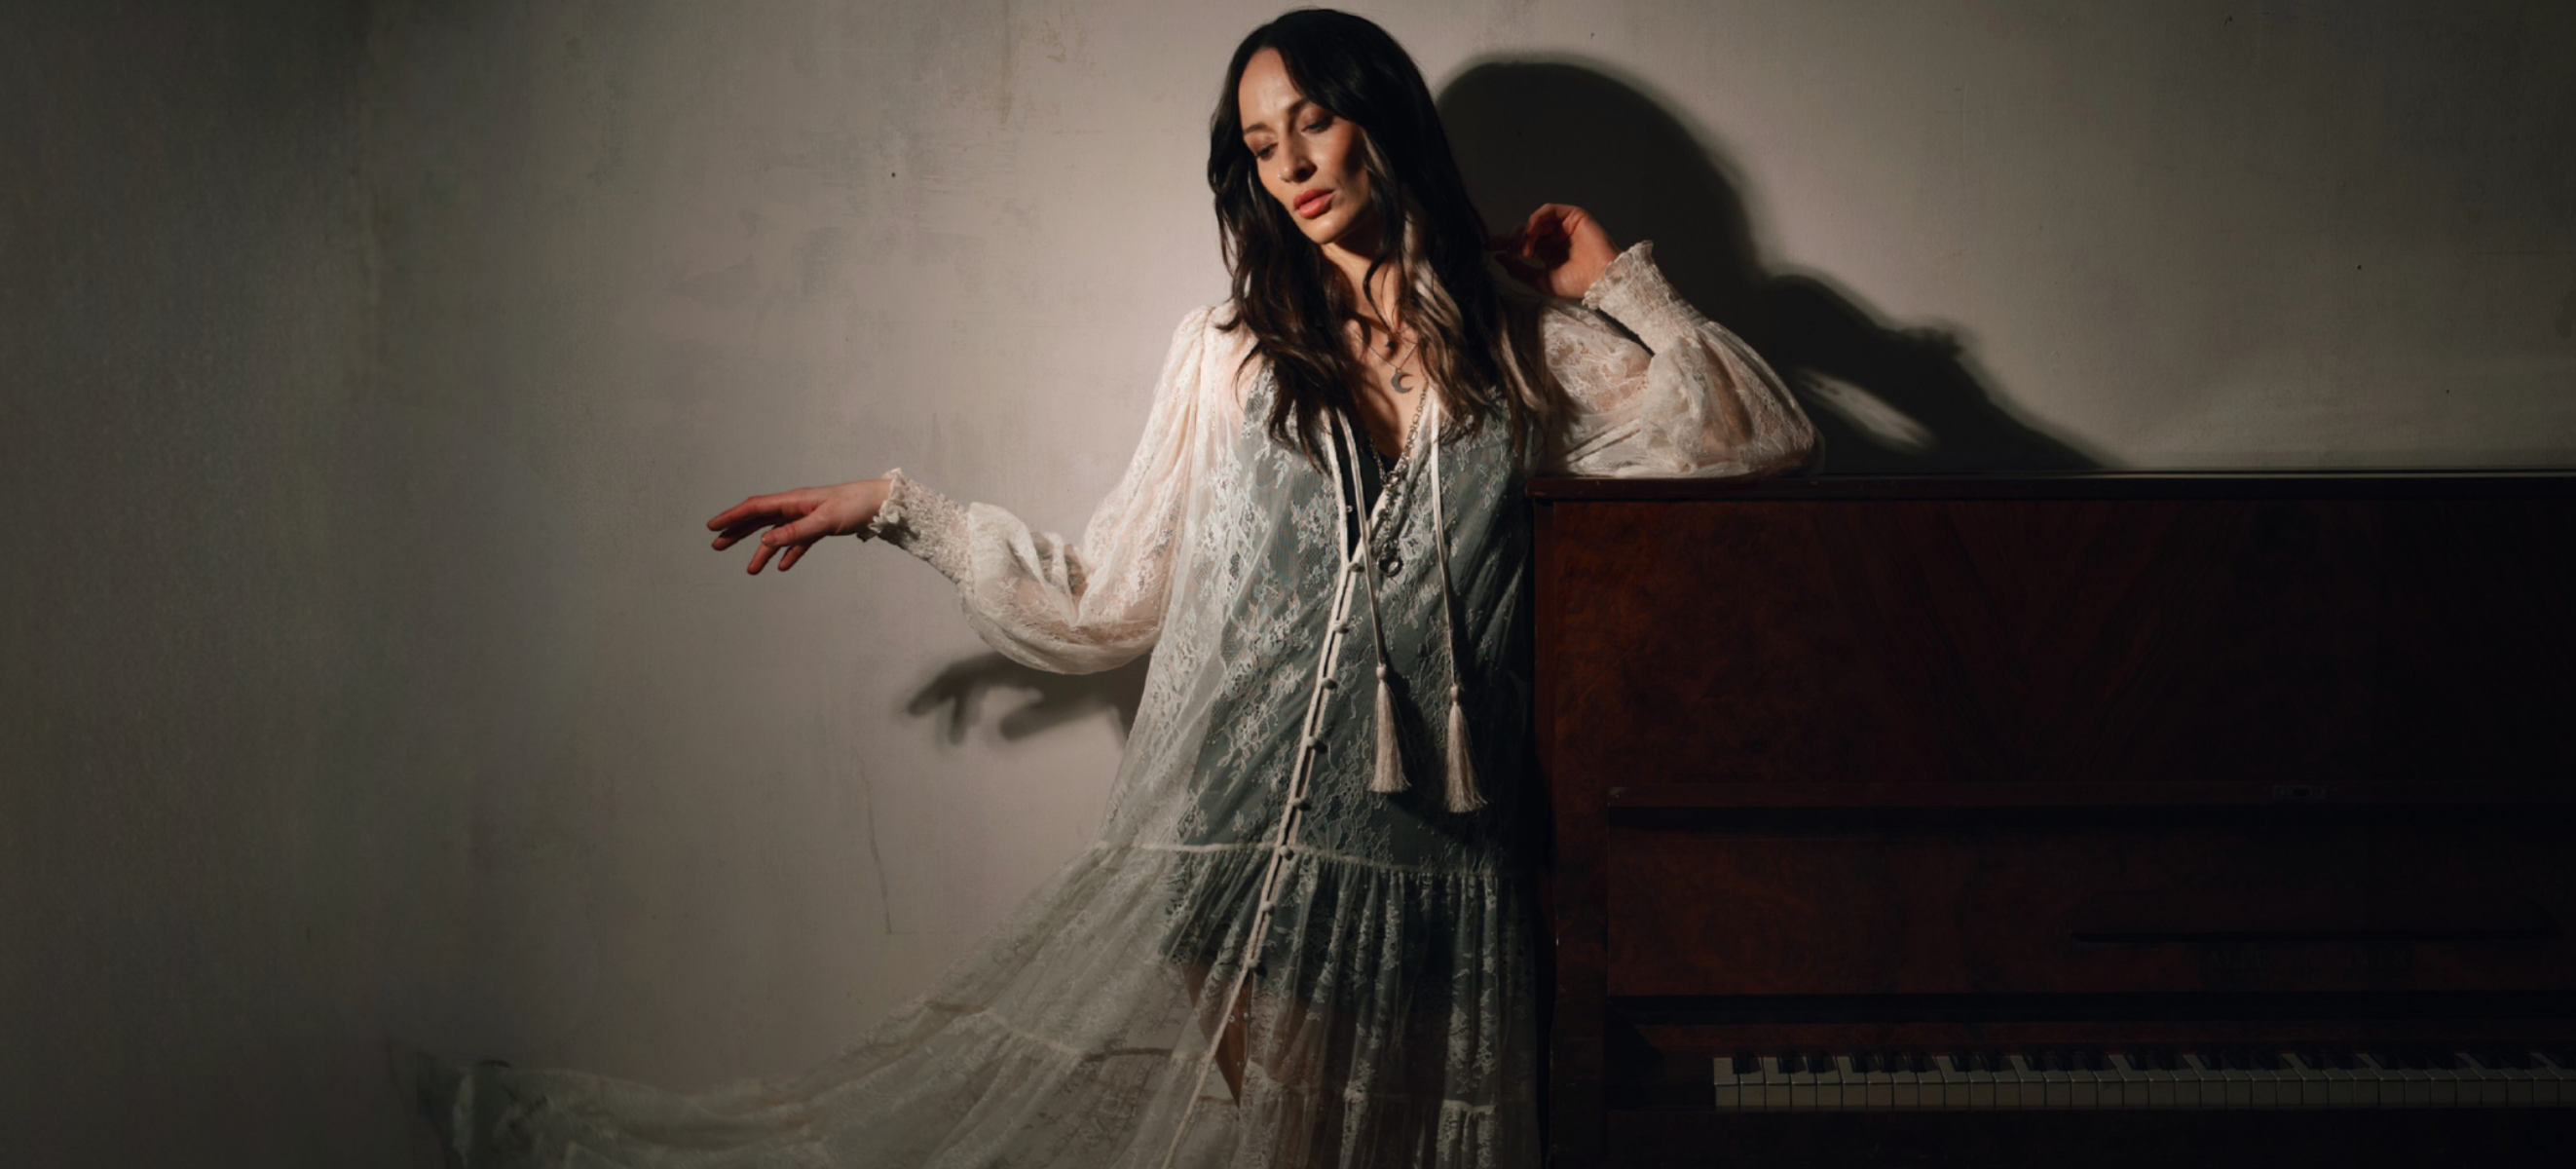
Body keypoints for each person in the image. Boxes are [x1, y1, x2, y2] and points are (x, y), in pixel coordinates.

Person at [423, 9, 1811, 1167]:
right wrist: (897, 511)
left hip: (1444, 864)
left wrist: (1619, 278)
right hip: (1241, 849)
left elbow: (1754, 438)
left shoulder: (1524, 353)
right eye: (1260, 146)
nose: (1292, 167)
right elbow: (1113, 597)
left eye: (1312, 124)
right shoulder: (1227, 353)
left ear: (1378, 116)